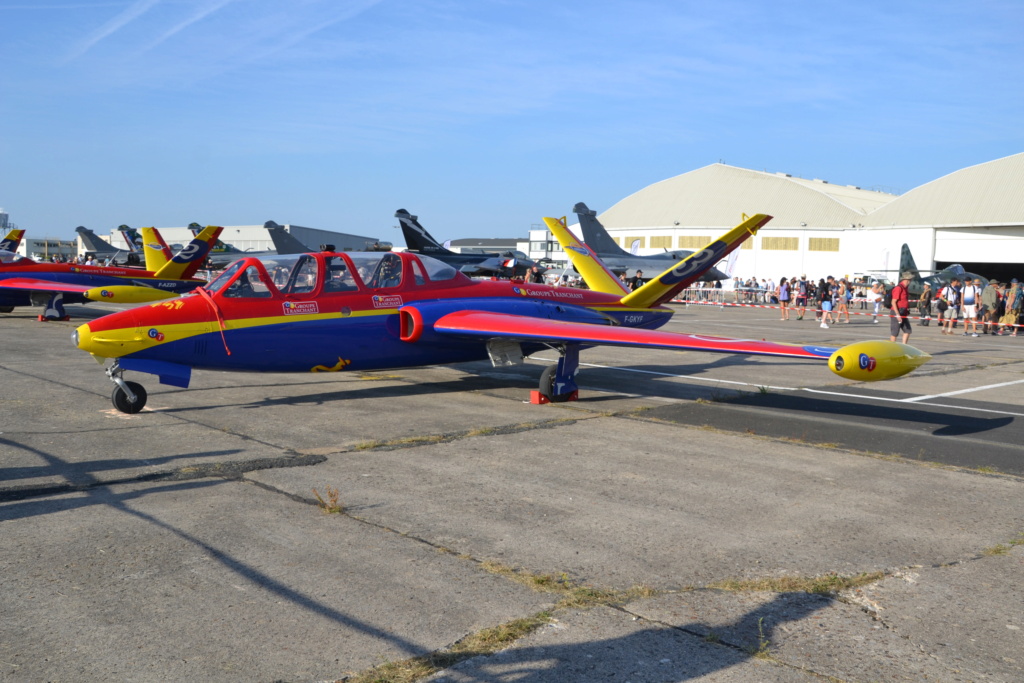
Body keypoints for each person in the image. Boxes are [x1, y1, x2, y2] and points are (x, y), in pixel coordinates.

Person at [889, 272, 913, 344]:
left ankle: (904, 347)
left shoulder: (905, 288)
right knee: (895, 332)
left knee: (908, 330)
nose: (911, 281)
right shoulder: (898, 288)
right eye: (910, 279)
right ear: (907, 279)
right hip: (897, 311)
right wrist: (897, 314)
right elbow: (893, 302)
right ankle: (891, 349)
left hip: (903, 312)